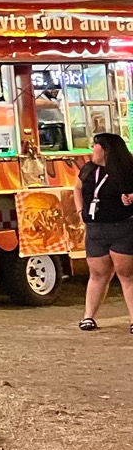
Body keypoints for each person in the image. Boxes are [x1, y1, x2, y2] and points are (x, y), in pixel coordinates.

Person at [77, 131, 133, 332]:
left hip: (122, 226)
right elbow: (77, 188)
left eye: (95, 145)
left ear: (106, 149)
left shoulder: (127, 169)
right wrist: (80, 211)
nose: (92, 149)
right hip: (95, 228)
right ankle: (88, 317)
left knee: (126, 275)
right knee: (98, 273)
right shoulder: (89, 169)